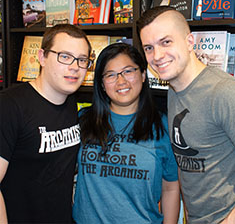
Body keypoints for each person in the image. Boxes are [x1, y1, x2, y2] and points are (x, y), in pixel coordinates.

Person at [137, 6, 235, 224]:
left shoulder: (225, 93)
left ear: (190, 42)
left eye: (166, 42)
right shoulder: (174, 89)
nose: (157, 56)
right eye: (149, 48)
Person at [72, 42, 180, 224]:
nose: (121, 81)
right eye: (111, 75)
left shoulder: (162, 126)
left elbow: (170, 188)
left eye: (128, 71)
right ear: (102, 84)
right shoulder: (83, 120)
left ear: (144, 74)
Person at [0, 24, 92, 223]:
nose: (75, 66)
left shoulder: (69, 102)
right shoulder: (9, 106)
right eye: (65, 56)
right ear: (42, 57)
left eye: (82, 60)